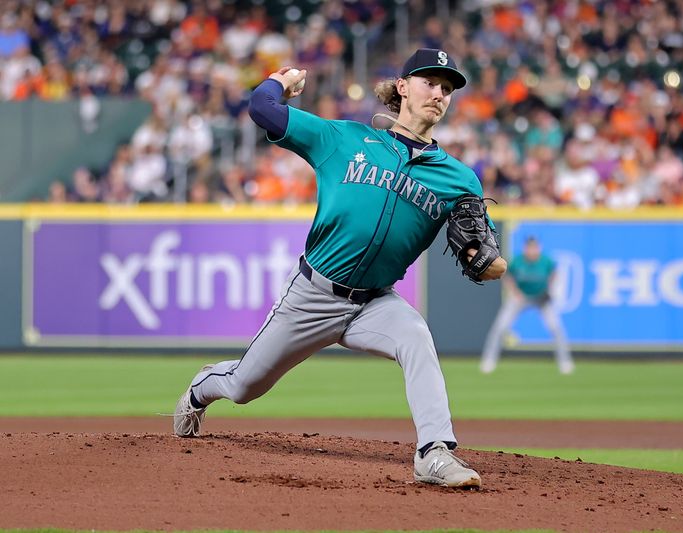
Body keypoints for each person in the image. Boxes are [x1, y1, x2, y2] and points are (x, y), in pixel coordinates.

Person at [172, 48, 507, 489]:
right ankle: (201, 388)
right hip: (312, 295)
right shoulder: (342, 139)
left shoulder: (459, 179)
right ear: (402, 88)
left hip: (375, 303)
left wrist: (485, 264)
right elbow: (262, 108)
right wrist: (280, 80)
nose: (439, 93)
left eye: (447, 88)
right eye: (430, 82)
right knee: (244, 386)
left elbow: (482, 258)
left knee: (416, 337)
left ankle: (434, 453)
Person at [480, 236, 574, 375]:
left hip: (541, 298)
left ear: (538, 248)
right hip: (521, 298)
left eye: (534, 247)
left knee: (556, 328)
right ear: (525, 248)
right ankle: (488, 360)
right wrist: (515, 292)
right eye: (529, 247)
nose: (532, 250)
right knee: (500, 327)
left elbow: (555, 274)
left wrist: (551, 289)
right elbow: (507, 276)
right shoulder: (518, 261)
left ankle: (565, 362)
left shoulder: (545, 261)